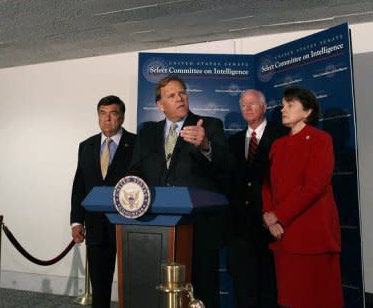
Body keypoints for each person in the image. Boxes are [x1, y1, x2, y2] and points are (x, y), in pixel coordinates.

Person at [130, 76, 232, 308]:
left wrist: (206, 146)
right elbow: (134, 171)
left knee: (202, 291)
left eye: (182, 93)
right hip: (158, 227)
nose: (180, 98)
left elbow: (228, 165)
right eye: (172, 95)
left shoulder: (209, 125)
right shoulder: (147, 133)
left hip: (200, 228)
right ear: (160, 105)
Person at [262, 87, 343, 308]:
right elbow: (267, 185)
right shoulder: (278, 145)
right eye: (283, 105)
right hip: (283, 235)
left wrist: (278, 215)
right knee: (290, 299)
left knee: (319, 299)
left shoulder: (320, 139)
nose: (283, 110)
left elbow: (315, 186)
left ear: (307, 112)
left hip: (313, 233)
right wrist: (269, 217)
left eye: (290, 105)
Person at [70, 95, 136, 308]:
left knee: (134, 284)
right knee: (99, 287)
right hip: (96, 226)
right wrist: (76, 221)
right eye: (102, 113)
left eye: (113, 113)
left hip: (129, 226)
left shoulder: (137, 144)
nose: (107, 119)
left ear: (122, 117)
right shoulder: (86, 146)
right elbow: (79, 185)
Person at [227, 89, 286, 308]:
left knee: (270, 290)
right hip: (240, 232)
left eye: (252, 104)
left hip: (270, 227)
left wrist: (277, 215)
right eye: (243, 105)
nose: (247, 108)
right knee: (243, 292)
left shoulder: (282, 136)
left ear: (264, 107)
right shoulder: (232, 142)